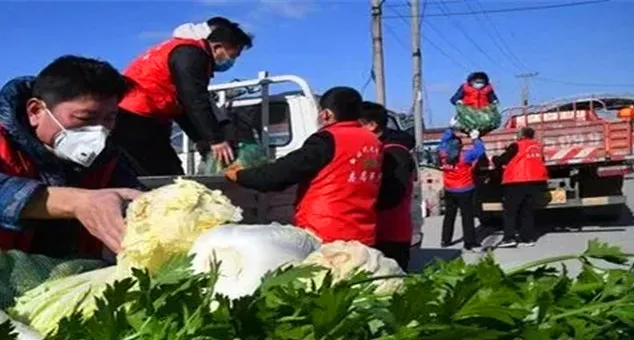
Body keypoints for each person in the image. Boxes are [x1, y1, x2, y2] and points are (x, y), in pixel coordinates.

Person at [0, 56, 145, 259]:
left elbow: (136, 199)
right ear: (36, 112)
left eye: (109, 119)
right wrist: (75, 202)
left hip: (62, 285)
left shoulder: (107, 158)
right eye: (84, 119)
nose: (98, 131)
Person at [223, 87, 382, 245]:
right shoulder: (374, 141)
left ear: (326, 114)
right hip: (363, 234)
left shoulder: (327, 140)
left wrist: (240, 175)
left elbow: (279, 174)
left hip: (326, 235)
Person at [113, 17, 253, 176]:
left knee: (168, 172)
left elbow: (183, 106)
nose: (233, 60)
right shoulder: (191, 54)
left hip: (149, 117)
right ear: (218, 46)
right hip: (135, 117)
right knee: (161, 175)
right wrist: (216, 140)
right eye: (234, 55)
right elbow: (193, 99)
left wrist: (206, 143)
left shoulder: (183, 51)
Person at [360, 101, 416, 270]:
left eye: (356, 125)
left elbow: (393, 195)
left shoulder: (394, 152)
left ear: (372, 125)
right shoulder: (377, 149)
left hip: (390, 234)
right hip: (375, 231)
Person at [492, 127, 548, 248]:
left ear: (522, 135)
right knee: (527, 211)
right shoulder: (537, 146)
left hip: (517, 181)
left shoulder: (517, 145)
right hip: (536, 181)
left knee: (510, 212)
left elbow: (502, 160)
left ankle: (509, 238)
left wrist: (494, 158)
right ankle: (527, 238)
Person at [438, 125, 486, 251]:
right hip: (465, 189)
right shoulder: (465, 156)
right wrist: (475, 138)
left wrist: (449, 129)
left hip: (449, 189)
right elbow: (480, 150)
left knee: (449, 216)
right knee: (467, 216)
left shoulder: (443, 154)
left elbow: (443, 141)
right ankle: (469, 242)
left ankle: (445, 240)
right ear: (460, 147)